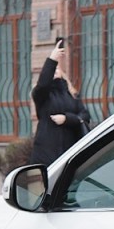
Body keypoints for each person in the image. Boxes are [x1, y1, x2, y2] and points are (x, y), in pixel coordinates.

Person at [32, 37, 89, 165]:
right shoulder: (41, 94)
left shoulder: (71, 93)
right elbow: (43, 85)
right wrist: (52, 59)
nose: (54, 71)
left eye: (57, 68)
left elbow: (85, 115)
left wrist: (67, 119)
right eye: (52, 69)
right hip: (47, 152)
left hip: (70, 151)